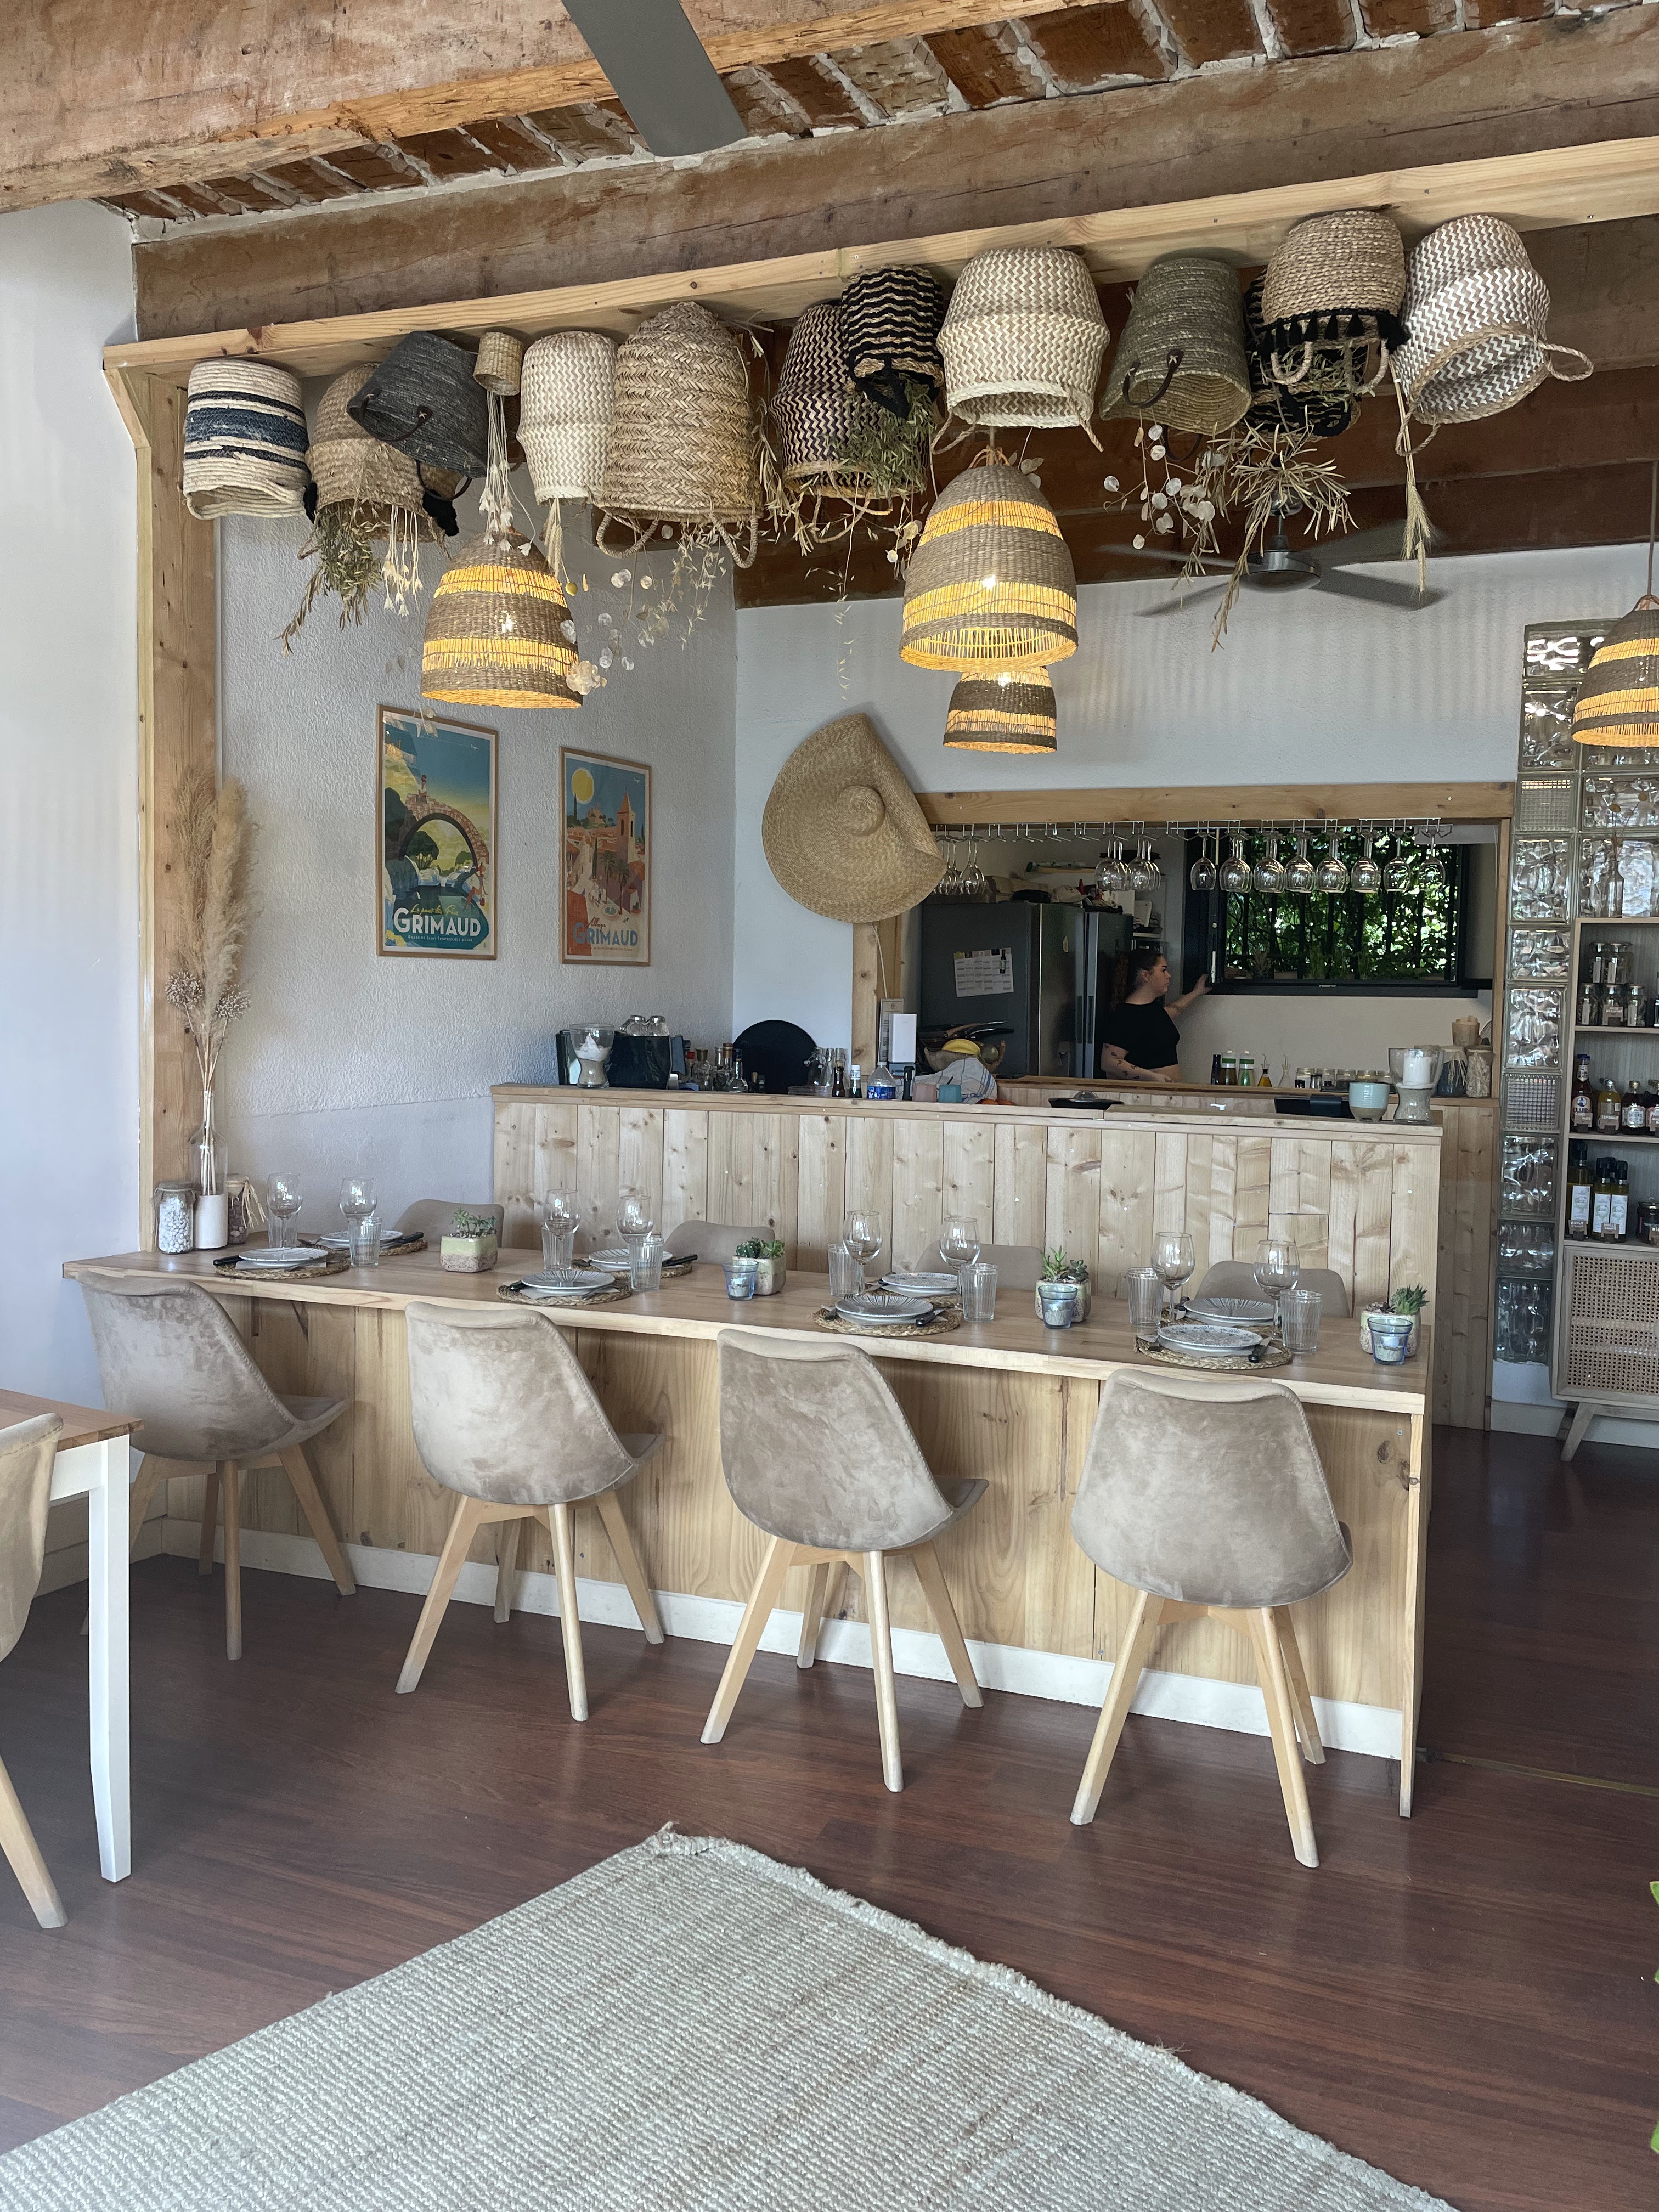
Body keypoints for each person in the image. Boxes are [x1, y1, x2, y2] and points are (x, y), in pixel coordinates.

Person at [1099, 948, 1208, 1082]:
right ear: (1146, 976)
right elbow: (1109, 1062)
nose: (1169, 975)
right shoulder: (1125, 1016)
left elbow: (1173, 1010)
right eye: (1163, 970)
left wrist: (1196, 992)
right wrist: (1152, 1077)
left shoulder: (1153, 1009)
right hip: (1146, 1093)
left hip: (1166, 1092)